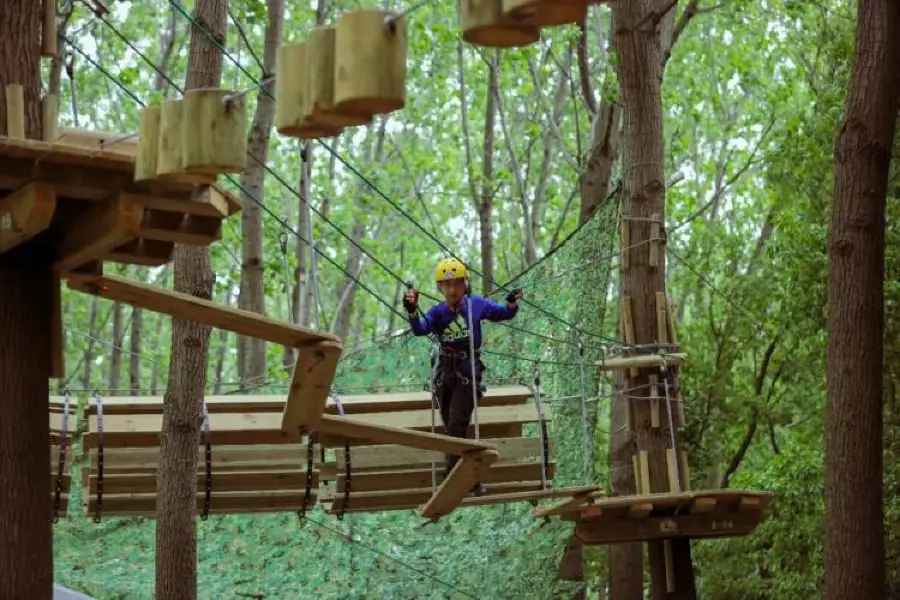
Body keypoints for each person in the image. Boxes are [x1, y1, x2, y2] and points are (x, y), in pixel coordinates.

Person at [403, 257, 522, 496]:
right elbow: (419, 330)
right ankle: (470, 480)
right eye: (447, 286)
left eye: (457, 284)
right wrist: (413, 310)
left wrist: (510, 304)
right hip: (444, 373)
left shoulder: (475, 305)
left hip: (468, 371)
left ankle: (452, 477)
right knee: (451, 428)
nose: (452, 290)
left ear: (465, 284)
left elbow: (502, 314)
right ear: (440, 288)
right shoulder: (438, 313)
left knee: (457, 422)